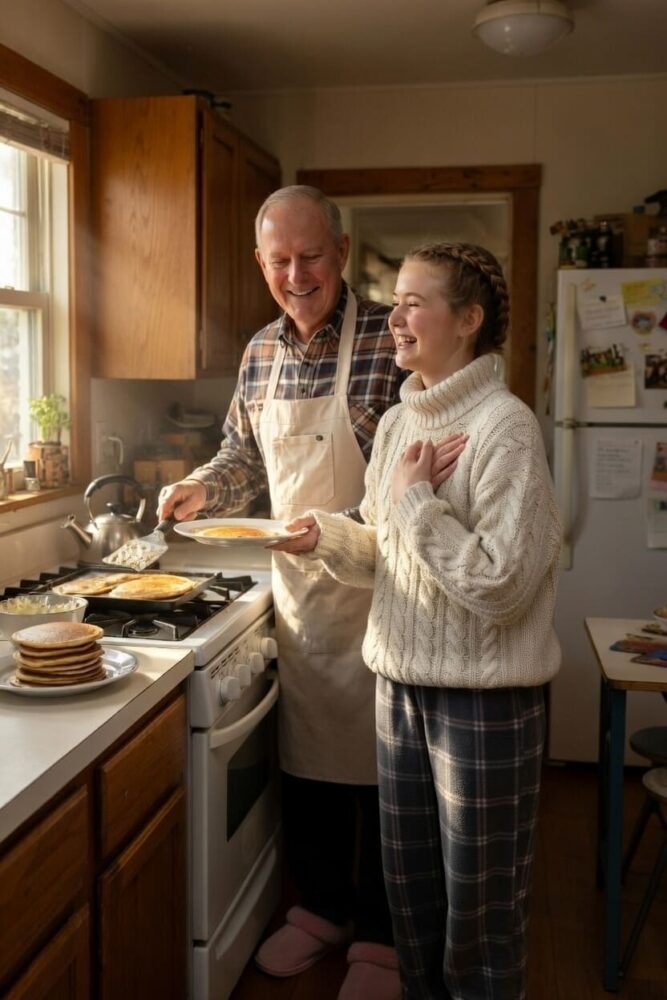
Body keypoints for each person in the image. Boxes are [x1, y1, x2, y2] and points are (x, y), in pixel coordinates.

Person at [273, 242, 562, 999]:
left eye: (413, 303)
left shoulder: (506, 429)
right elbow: (387, 548)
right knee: (413, 903)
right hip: (399, 684)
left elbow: (499, 585)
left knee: (480, 913)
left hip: (483, 702)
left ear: (467, 320)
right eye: (393, 300)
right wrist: (325, 536)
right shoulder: (404, 423)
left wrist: (412, 502)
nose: (392, 318)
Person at [158, 185, 424, 999]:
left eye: (311, 256)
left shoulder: (393, 335)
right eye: (279, 260)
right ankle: (322, 912)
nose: (296, 274)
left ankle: (384, 933)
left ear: (341, 253)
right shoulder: (259, 352)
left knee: (387, 771)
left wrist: (332, 526)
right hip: (303, 591)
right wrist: (202, 487)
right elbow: (243, 458)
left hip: (384, 586)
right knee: (307, 761)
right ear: (259, 262)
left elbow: (413, 474)